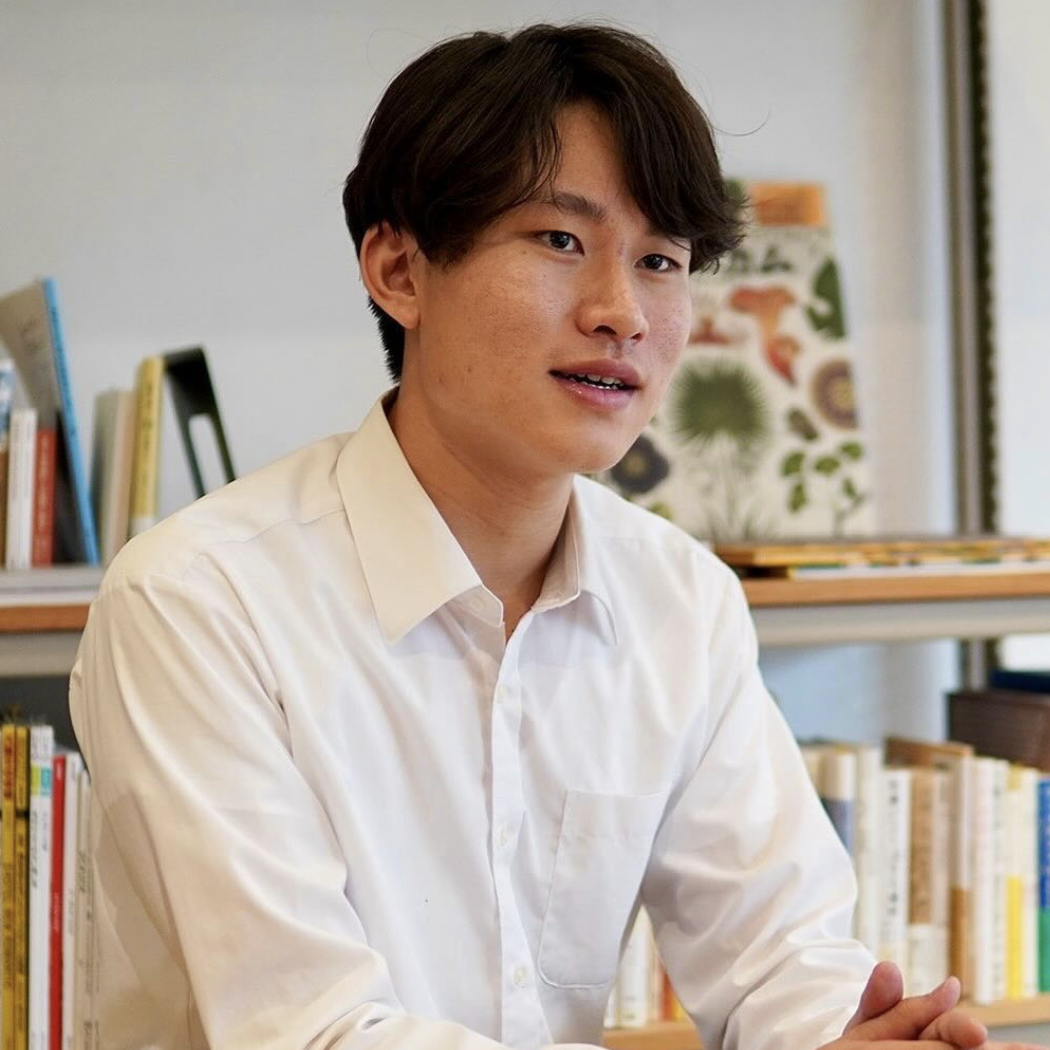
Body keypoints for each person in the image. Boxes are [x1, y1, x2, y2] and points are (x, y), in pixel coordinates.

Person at [69, 22, 1032, 1050]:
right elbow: (312, 1033)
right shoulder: (197, 601)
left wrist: (853, 1034)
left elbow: (778, 954)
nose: (622, 312)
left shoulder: (680, 600)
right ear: (398, 269)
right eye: (560, 241)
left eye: (659, 260)